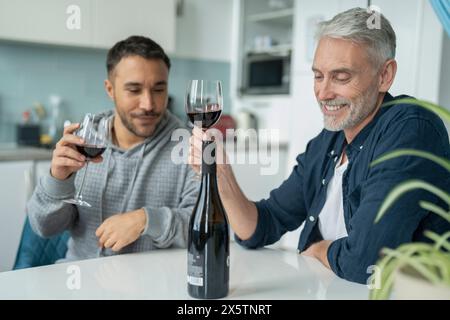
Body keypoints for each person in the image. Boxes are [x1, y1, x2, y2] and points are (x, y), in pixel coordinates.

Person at [189, 8, 450, 284]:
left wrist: (322, 249)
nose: (323, 93)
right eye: (318, 76)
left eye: (341, 77)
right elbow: (263, 225)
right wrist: (222, 179)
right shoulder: (329, 140)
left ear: (385, 75)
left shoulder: (411, 129)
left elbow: (367, 261)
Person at [27, 36, 199, 261]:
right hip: (80, 282)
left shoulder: (190, 147)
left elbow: (202, 229)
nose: (148, 104)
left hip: (152, 287)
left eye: (159, 89)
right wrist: (58, 180)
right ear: (110, 89)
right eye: (134, 90)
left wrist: (146, 220)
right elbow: (44, 228)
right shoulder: (83, 142)